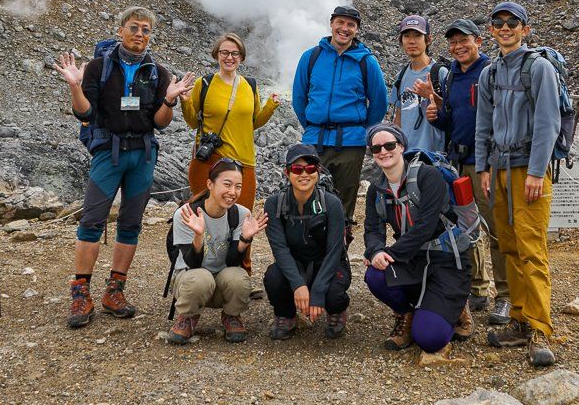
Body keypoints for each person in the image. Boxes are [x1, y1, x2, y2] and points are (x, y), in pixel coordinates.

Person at [55, 6, 195, 328]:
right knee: (92, 221)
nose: (140, 35)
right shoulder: (98, 68)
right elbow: (85, 113)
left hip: (143, 155)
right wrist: (75, 86)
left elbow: (159, 123)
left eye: (146, 30)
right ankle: (81, 293)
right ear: (120, 30)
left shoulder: (157, 72)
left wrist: (170, 101)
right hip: (109, 153)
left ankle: (114, 292)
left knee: (131, 224)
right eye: (134, 28)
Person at [475, 1, 559, 365]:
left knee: (532, 248)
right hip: (499, 170)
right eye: (499, 22)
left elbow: (548, 123)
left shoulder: (538, 68)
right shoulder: (490, 74)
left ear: (525, 29)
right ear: (491, 30)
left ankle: (540, 327)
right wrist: (483, 168)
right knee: (508, 245)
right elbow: (484, 124)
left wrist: (538, 172)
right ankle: (520, 318)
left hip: (528, 171)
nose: (505, 27)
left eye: (513, 22)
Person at [363, 123, 472, 358]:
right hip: (413, 258)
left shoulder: (427, 176)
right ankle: (406, 313)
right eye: (376, 148)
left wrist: (389, 253)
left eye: (390, 145)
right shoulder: (376, 190)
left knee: (429, 339)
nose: (383, 151)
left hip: (446, 259)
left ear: (401, 146)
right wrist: (374, 252)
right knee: (375, 274)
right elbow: (372, 230)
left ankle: (456, 307)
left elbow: (426, 226)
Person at [421, 19, 508, 318]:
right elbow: (453, 120)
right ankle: (478, 288)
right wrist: (436, 117)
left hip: (484, 164)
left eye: (464, 41)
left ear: (479, 41)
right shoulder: (452, 75)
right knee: (464, 227)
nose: (458, 47)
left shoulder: (491, 72)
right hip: (457, 162)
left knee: (495, 228)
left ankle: (505, 295)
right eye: (453, 42)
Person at [291, 5, 388, 223]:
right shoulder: (312, 57)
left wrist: (362, 131)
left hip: (351, 143)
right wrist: (312, 125)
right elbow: (299, 97)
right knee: (308, 195)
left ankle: (340, 249)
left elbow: (379, 102)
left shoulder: (366, 61)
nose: (344, 28)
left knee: (344, 202)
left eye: (351, 25)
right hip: (315, 141)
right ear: (332, 24)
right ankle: (310, 247)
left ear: (357, 30)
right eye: (340, 23)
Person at [167, 159, 268, 344]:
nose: (233, 192)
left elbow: (232, 262)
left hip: (220, 281)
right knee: (201, 278)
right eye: (227, 184)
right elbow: (192, 264)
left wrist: (245, 240)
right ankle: (188, 316)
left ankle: (231, 315)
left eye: (238, 186)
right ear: (210, 184)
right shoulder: (186, 214)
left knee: (239, 277)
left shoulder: (240, 214)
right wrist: (198, 236)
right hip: (190, 280)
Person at [180, 32, 280, 212]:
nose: (229, 57)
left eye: (234, 53)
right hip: (209, 160)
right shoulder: (204, 84)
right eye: (224, 52)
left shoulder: (250, 85)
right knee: (204, 216)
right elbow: (193, 122)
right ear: (216, 54)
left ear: (241, 57)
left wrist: (270, 106)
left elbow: (254, 123)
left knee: (242, 218)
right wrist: (185, 101)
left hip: (243, 161)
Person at [262, 144, 352, 340]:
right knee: (274, 278)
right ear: (287, 173)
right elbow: (280, 249)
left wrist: (318, 291)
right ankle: (286, 314)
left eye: (310, 169)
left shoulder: (331, 203)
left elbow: (335, 250)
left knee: (334, 293)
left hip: (326, 262)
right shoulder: (274, 204)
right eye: (297, 169)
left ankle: (336, 311)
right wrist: (298, 285)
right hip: (295, 263)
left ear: (318, 172)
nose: (304, 174)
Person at [387, 15, 449, 154]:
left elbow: (454, 113)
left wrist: (430, 95)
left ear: (428, 40)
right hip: (406, 154)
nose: (412, 41)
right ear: (401, 41)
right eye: (407, 36)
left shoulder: (440, 73)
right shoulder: (401, 76)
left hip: (433, 156)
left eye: (417, 35)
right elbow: (399, 118)